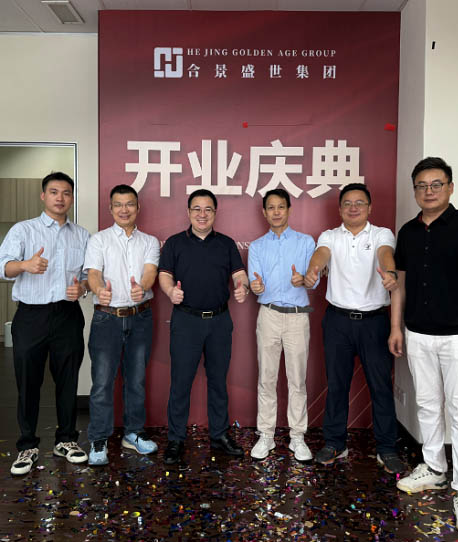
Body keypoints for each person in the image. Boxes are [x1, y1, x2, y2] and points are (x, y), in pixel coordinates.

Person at [391, 157, 458, 536]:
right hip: (418, 333)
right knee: (426, 403)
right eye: (422, 185)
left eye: (436, 184)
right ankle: (434, 468)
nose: (429, 191)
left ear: (450, 187)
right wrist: (396, 327)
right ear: (415, 191)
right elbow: (400, 283)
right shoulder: (407, 232)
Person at [0, 171, 90, 476]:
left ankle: (66, 440)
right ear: (43, 196)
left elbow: (89, 276)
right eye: (54, 192)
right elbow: (1, 266)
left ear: (71, 198)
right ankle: (27, 446)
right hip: (31, 315)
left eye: (66, 193)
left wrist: (83, 288)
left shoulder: (82, 235)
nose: (60, 198)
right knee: (28, 381)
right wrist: (25, 264)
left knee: (68, 380)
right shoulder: (24, 230)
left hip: (67, 315)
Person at [304, 183, 403, 473]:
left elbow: (385, 254)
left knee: (381, 386)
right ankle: (335, 443)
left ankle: (387, 448)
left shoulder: (382, 234)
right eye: (347, 203)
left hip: (374, 322)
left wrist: (390, 272)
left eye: (359, 202)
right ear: (340, 209)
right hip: (337, 321)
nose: (353, 207)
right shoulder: (330, 236)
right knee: (337, 385)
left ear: (370, 207)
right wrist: (312, 270)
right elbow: (321, 255)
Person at [158, 189, 250, 465]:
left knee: (218, 381)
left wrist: (242, 287)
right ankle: (176, 438)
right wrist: (170, 292)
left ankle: (219, 435)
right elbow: (164, 276)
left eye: (208, 209)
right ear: (188, 212)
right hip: (186, 321)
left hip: (219, 321)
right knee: (180, 382)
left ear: (215, 213)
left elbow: (239, 274)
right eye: (196, 209)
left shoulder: (226, 243)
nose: (202, 214)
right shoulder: (174, 243)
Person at [83, 184, 159, 466]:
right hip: (107, 318)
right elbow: (93, 274)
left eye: (129, 204)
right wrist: (98, 289)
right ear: (110, 208)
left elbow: (150, 272)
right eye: (118, 204)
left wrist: (143, 287)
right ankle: (99, 439)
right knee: (102, 382)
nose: (124, 210)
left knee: (136, 380)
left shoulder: (150, 241)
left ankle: (133, 433)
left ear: (138, 208)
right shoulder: (99, 240)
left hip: (140, 318)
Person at [247, 188, 316, 462]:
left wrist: (304, 279)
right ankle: (266, 434)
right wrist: (256, 286)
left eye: (281, 207)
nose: (276, 212)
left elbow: (314, 281)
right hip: (269, 315)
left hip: (298, 316)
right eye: (271, 207)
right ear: (264, 212)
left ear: (289, 210)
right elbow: (255, 283)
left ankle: (297, 436)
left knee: (297, 379)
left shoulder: (306, 242)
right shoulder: (257, 246)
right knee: (267, 377)